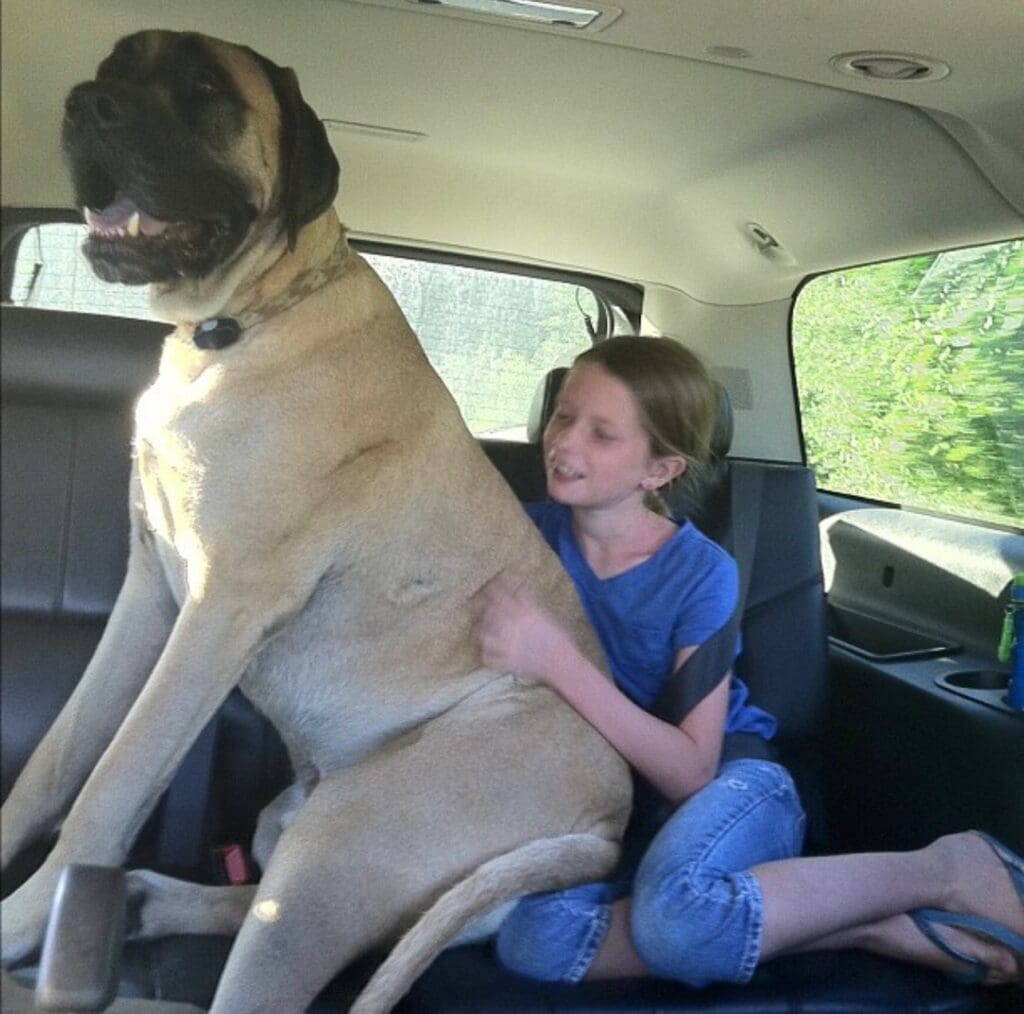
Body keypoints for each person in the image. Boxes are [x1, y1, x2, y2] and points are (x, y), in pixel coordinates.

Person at [474, 334, 1023, 989]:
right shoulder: (520, 534)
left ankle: (950, 868)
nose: (564, 443)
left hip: (732, 785)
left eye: (602, 434)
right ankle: (862, 925)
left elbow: (690, 770)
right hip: (611, 808)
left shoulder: (701, 573)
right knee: (531, 942)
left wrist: (556, 662)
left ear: (660, 470)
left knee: (676, 921)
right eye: (563, 416)